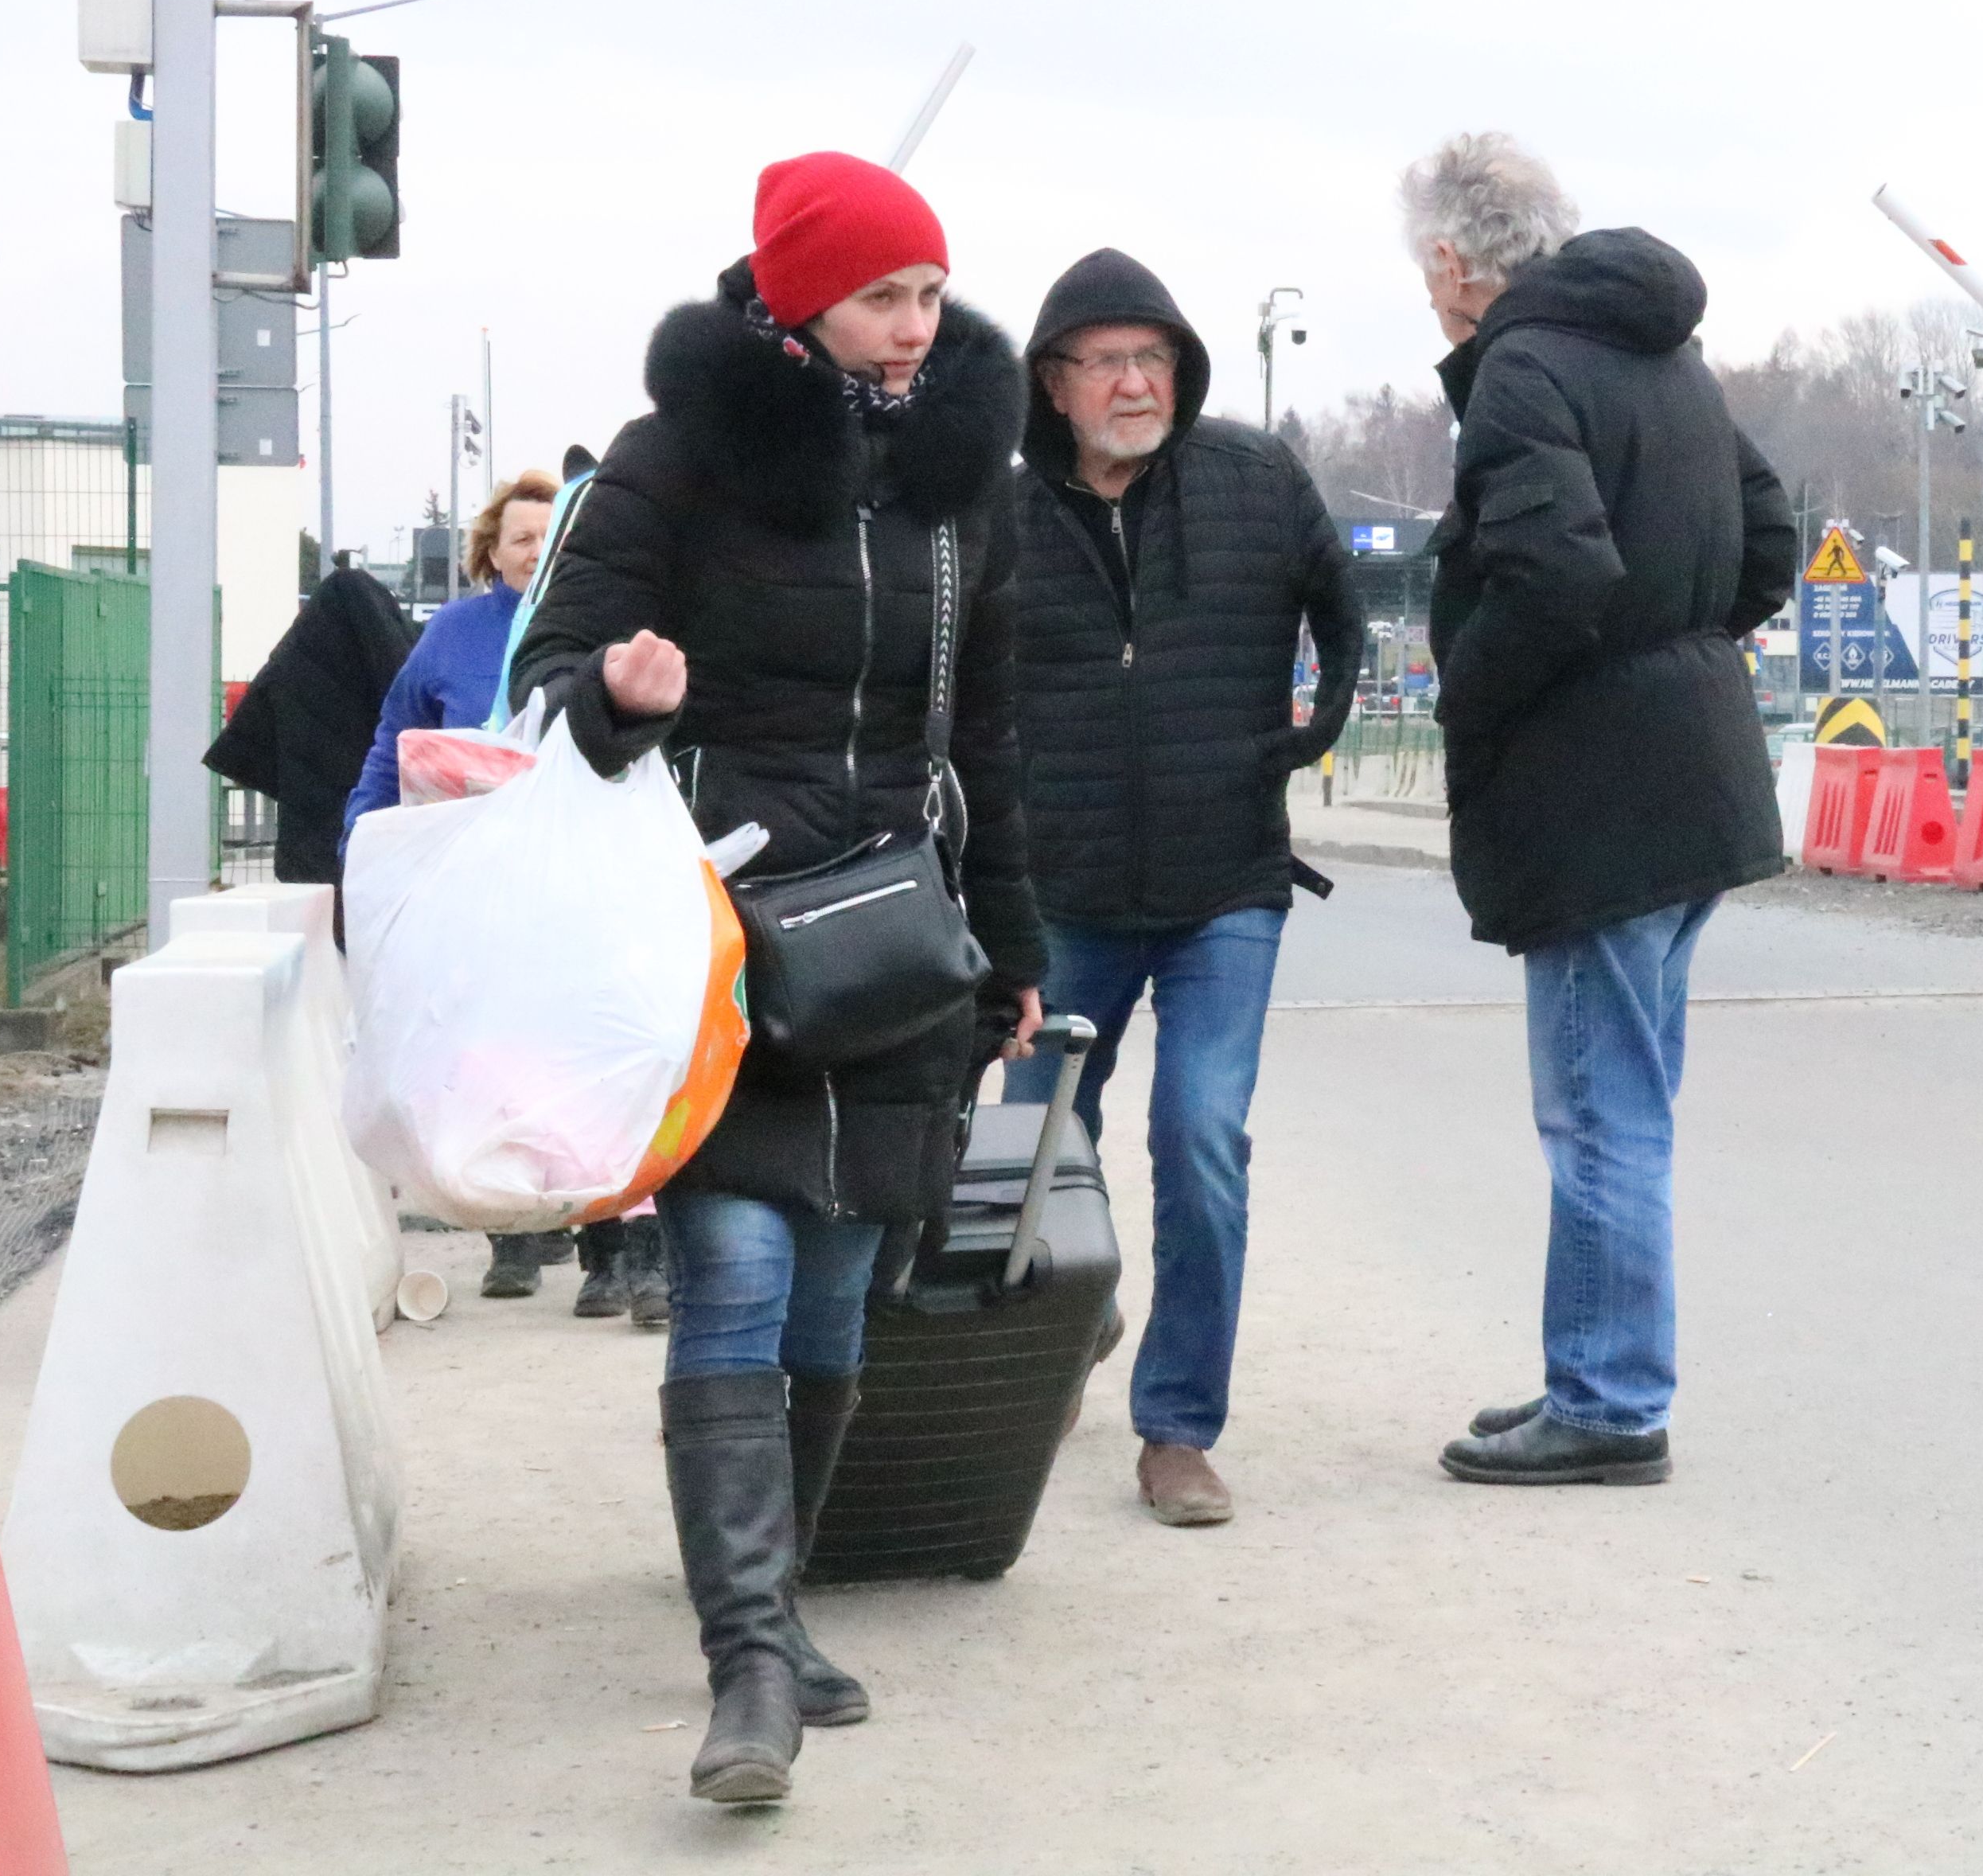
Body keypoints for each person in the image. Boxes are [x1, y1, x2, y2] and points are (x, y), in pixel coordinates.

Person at [508, 151, 1045, 1805]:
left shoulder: (968, 481)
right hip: (720, 927)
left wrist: (1013, 946)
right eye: (885, 294)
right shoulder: (678, 460)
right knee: (736, 1263)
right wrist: (615, 690)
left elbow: (990, 735)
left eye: (932, 292)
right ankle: (748, 1663)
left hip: (891, 940)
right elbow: (544, 676)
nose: (916, 325)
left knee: (834, 1288)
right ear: (799, 294)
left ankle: (779, 1608)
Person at [1397, 134, 1794, 1488]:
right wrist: (1683, 645)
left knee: (1596, 1111)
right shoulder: (1659, 351)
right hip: (1697, 776)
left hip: (1598, 797)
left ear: (1454, 263)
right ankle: (1593, 1373)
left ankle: (1613, 1403)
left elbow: (1555, 572)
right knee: (1628, 1098)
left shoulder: (1522, 366)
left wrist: (1474, 693)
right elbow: (1769, 526)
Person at [1005, 247, 1364, 1529]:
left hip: (1229, 883)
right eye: (1107, 360)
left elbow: (1345, 606)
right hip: (1063, 891)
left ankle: (1178, 1431)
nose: (1135, 381)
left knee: (1200, 1136)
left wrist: (1311, 733)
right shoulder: (1004, 514)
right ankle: (1073, 1320)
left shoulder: (1255, 480)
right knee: (1043, 1150)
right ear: (1054, 383)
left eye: (1153, 357)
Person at [345, 471, 666, 1320]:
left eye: (547, 536)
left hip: (587, 885)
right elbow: (396, 739)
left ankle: (626, 1253)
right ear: (491, 551)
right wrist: (364, 838)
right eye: (519, 537)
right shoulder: (453, 634)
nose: (535, 551)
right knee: (501, 1060)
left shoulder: (611, 627)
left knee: (603, 1060)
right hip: (481, 890)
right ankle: (522, 1225)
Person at [202, 560, 415, 891]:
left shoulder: (296, 662)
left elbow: (252, 733)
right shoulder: (393, 680)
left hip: (303, 846)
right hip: (377, 850)